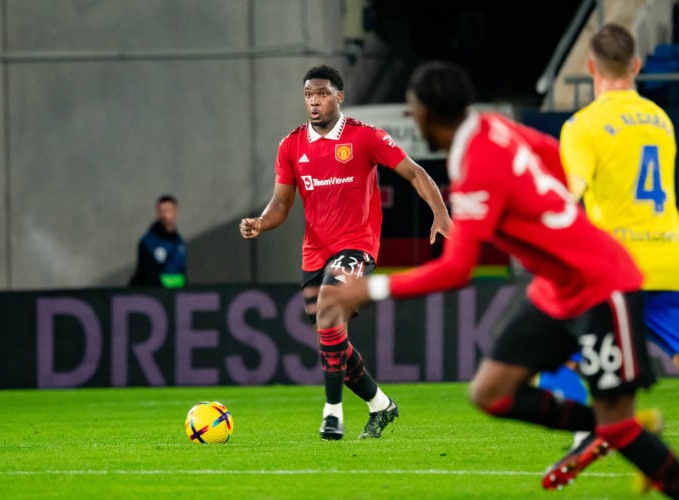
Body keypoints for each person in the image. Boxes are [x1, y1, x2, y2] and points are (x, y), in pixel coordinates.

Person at [321, 60, 679, 497]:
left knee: (620, 425)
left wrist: (372, 287)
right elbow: (552, 154)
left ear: (425, 114)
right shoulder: (492, 126)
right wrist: (554, 215)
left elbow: (456, 270)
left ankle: (624, 437)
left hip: (602, 286)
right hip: (555, 289)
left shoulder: (478, 167)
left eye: (413, 110)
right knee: (491, 393)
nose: (413, 117)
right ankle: (599, 428)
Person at [239, 64, 452, 440]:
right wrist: (260, 222)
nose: (314, 101)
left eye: (321, 94)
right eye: (308, 95)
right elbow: (281, 204)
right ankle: (381, 406)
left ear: (338, 96)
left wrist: (441, 213)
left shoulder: (366, 137)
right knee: (331, 335)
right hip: (314, 254)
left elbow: (416, 173)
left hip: (357, 245)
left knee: (328, 310)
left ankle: (332, 413)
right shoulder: (291, 145)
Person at [537, 22, 679, 492]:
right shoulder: (661, 119)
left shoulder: (584, 125)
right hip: (669, 259)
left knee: (554, 342)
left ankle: (590, 432)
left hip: (617, 266)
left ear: (592, 67)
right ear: (637, 65)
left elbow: (569, 195)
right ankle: (639, 442)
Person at [129, 194, 187, 288]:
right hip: (158, 294)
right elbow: (147, 274)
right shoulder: (148, 242)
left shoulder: (179, 242)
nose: (165, 215)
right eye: (161, 211)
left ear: (175, 212)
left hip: (176, 295)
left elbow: (182, 271)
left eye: (168, 211)